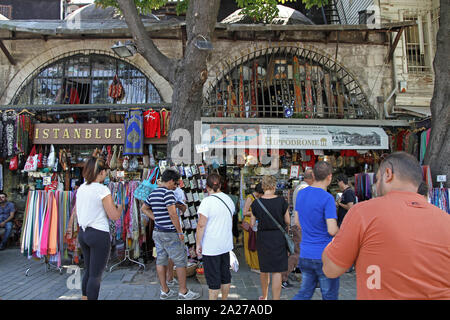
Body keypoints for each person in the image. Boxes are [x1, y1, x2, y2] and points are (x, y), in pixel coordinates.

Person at [322, 152, 450, 300]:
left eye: (377, 179)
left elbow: (330, 269)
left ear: (388, 174)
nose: (376, 185)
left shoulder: (364, 212)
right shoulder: (445, 220)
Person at [141, 169, 200, 300]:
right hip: (170, 232)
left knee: (160, 260)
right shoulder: (168, 193)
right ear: (171, 181)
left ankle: (164, 290)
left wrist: (155, 218)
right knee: (180, 261)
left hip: (157, 232)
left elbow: (144, 208)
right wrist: (179, 231)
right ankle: (183, 292)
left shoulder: (154, 193)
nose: (176, 187)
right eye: (175, 184)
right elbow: (173, 214)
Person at [76, 157, 123, 300]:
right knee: (96, 276)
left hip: (83, 233)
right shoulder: (103, 190)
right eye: (105, 172)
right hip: (98, 234)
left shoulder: (82, 188)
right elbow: (113, 215)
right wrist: (120, 208)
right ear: (101, 172)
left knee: (88, 271)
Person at [292, 161, 339, 300]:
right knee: (329, 295)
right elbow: (332, 230)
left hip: (305, 252)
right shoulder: (328, 198)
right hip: (324, 255)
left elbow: (297, 222)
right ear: (329, 177)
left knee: (304, 293)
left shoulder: (302, 194)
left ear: (313, 175)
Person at [196, 173, 235, 300]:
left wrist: (198, 243)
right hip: (226, 244)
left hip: (211, 246)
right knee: (225, 276)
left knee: (213, 280)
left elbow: (201, 225)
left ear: (207, 187)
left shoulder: (206, 202)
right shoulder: (229, 199)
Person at [250, 175, 290, 300]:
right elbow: (288, 221)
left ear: (263, 186)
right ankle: (276, 299)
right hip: (278, 237)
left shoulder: (256, 203)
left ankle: (265, 296)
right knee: (277, 271)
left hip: (263, 238)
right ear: (274, 186)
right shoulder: (282, 201)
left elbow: (252, 224)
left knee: (264, 269)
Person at [165, 184, 187, 288]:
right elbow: (174, 215)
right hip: (171, 227)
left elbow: (183, 209)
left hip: (164, 227)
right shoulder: (162, 191)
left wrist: (178, 205)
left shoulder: (179, 192)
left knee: (168, 254)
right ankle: (181, 288)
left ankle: (168, 280)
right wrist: (179, 232)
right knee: (176, 255)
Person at [242, 183, 263, 273]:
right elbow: (244, 212)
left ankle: (257, 264)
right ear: (259, 192)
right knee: (251, 244)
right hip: (249, 225)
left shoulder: (258, 198)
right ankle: (253, 266)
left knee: (256, 244)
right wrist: (255, 211)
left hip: (255, 224)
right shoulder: (250, 198)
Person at [281, 223, 302, 289]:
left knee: (296, 254)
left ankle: (283, 278)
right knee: (296, 255)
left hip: (295, 226)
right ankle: (283, 279)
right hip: (295, 226)